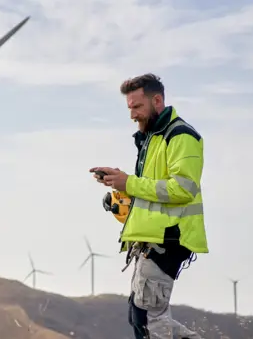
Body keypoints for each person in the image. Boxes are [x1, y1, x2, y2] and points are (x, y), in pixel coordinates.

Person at [90, 73, 208, 339]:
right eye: (129, 108)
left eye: (137, 107)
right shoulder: (152, 138)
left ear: (157, 101)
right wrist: (120, 184)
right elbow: (152, 189)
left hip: (169, 238)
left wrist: (129, 183)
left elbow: (183, 189)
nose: (132, 114)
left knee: (149, 319)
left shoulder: (181, 136)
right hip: (151, 239)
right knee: (141, 314)